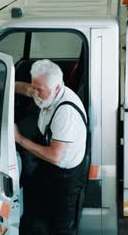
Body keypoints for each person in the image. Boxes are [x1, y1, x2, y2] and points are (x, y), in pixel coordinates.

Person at [13, 59, 88, 235]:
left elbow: (55, 156)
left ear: (56, 88)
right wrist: (1, 85)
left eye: (40, 90)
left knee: (61, 225)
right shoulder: (46, 90)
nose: (35, 93)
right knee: (44, 206)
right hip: (52, 160)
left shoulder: (65, 113)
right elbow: (26, 89)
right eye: (35, 87)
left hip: (66, 174)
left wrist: (19, 139)